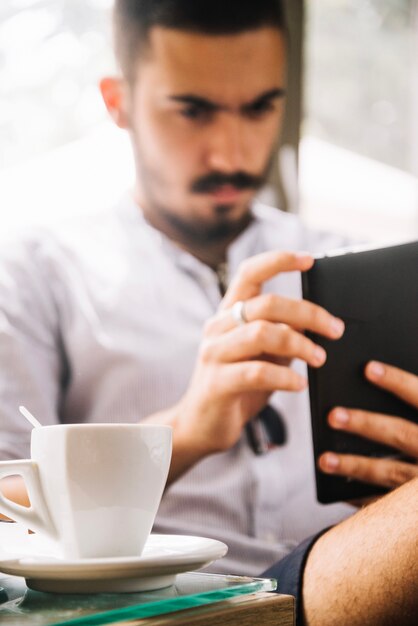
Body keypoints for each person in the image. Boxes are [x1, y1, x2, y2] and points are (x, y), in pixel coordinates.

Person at [0, 1, 417, 624]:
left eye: (259, 108)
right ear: (118, 102)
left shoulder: (350, 262)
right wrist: (187, 433)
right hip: (166, 607)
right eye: (193, 111)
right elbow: (3, 515)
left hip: (354, 571)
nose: (231, 154)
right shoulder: (36, 271)